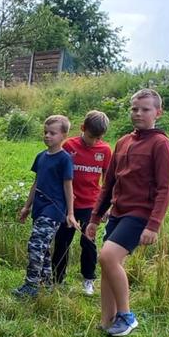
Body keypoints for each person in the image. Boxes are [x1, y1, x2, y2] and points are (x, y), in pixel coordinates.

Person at [85, 89, 169, 336]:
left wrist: (153, 225)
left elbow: (166, 188)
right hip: (118, 212)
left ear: (158, 113)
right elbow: (109, 184)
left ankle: (126, 316)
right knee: (108, 265)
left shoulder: (161, 144)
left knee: (108, 257)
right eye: (134, 109)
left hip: (140, 214)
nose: (138, 113)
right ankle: (107, 322)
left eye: (145, 109)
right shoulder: (123, 142)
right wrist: (95, 218)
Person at [14, 115, 78, 298]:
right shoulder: (41, 156)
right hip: (39, 208)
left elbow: (68, 186)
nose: (47, 136)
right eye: (45, 132)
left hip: (54, 210)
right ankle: (46, 283)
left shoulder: (64, 159)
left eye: (52, 133)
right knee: (43, 248)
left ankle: (31, 285)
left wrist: (70, 213)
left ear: (64, 135)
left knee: (35, 245)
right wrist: (27, 207)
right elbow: (36, 183)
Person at [52, 110, 112, 295]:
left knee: (88, 242)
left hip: (91, 205)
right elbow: (59, 173)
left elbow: (108, 180)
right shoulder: (69, 145)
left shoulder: (105, 150)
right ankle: (57, 279)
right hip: (68, 204)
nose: (94, 141)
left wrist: (106, 206)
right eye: (91, 136)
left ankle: (88, 279)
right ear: (82, 128)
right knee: (62, 241)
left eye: (98, 138)